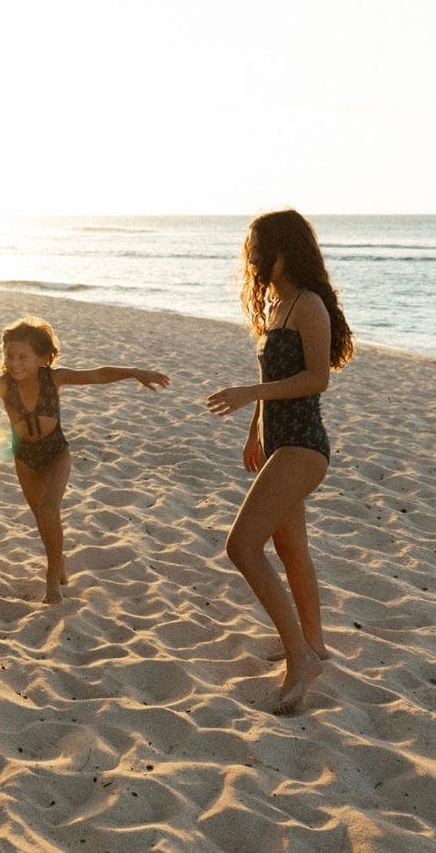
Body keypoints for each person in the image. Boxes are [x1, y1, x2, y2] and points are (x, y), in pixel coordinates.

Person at [0, 316, 170, 603]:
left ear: (43, 358)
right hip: (25, 457)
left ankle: (52, 577)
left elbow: (97, 375)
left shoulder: (54, 378)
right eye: (10, 356)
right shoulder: (2, 384)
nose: (15, 363)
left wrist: (134, 372)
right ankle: (58, 560)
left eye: (23, 357)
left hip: (56, 452)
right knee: (42, 518)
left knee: (48, 509)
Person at [207, 209, 354, 714]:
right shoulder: (276, 304)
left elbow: (316, 379)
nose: (251, 257)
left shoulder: (308, 305)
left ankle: (300, 659)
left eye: (257, 248)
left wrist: (249, 394)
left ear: (284, 251)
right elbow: (273, 379)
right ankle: (313, 644)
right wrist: (254, 431)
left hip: (304, 445)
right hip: (276, 444)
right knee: (291, 549)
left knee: (241, 545)